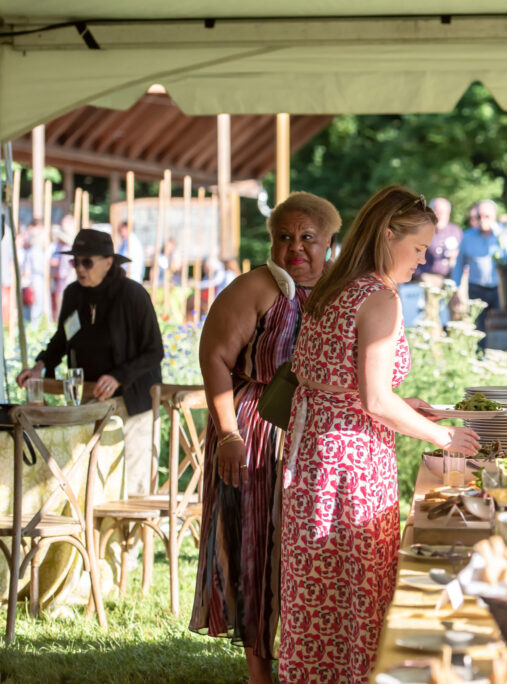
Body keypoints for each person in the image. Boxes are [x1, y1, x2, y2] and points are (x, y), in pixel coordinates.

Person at [278, 186, 480, 682]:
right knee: (356, 586)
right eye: (417, 249)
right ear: (388, 236)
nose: (424, 259)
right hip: (351, 461)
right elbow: (374, 401)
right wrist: (442, 437)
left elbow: (338, 380)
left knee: (318, 585)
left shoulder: (334, 286)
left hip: (312, 455)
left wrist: (396, 403)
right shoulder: (380, 297)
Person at [189, 192, 340, 684]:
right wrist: (228, 432)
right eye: (284, 236)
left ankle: (309, 657)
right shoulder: (257, 286)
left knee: (308, 546)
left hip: (316, 434)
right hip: (254, 430)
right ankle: (260, 670)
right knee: (255, 544)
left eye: (307, 237)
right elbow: (213, 357)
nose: (295, 247)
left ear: (330, 241)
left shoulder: (342, 288)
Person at [17, 228, 163, 495]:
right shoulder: (74, 294)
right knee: (92, 484)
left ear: (109, 263)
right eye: (75, 262)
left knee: (133, 485)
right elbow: (62, 338)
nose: (80, 269)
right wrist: (40, 366)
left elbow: (154, 351)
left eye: (87, 262)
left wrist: (119, 375)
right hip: (89, 399)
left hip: (132, 403)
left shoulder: (132, 295)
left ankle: (131, 537)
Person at [451, 199, 507, 344]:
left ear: (494, 216)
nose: (482, 220)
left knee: (503, 326)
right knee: (478, 329)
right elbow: (459, 265)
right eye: (479, 216)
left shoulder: (503, 235)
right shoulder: (468, 237)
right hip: (477, 288)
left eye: (487, 216)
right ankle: (480, 358)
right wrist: (455, 289)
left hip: (499, 288)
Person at [415, 197, 462, 326]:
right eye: (437, 211)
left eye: (444, 212)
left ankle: (456, 339)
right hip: (429, 275)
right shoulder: (423, 230)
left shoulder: (455, 230)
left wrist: (456, 254)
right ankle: (434, 341)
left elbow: (463, 254)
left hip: (451, 275)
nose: (440, 215)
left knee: (458, 309)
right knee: (431, 313)